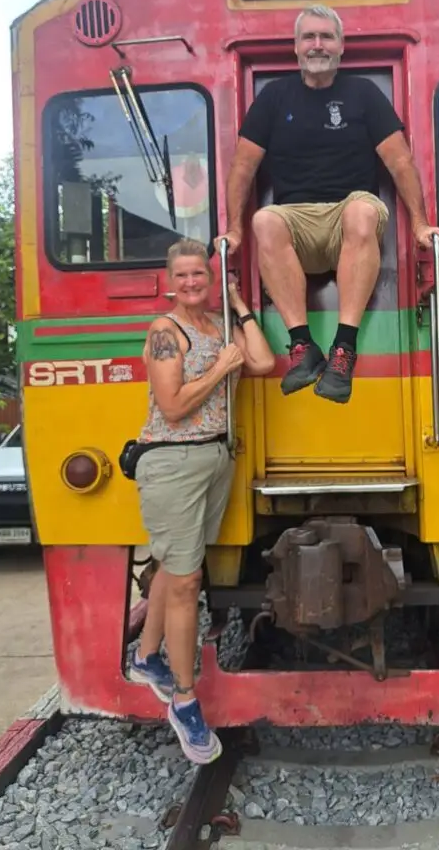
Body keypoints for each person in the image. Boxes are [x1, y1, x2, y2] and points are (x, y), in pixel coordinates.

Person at [214, 4, 439, 404]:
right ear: (296, 47)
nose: (317, 45)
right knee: (264, 220)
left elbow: (399, 161)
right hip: (297, 220)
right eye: (309, 37)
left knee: (362, 211)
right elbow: (243, 167)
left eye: (326, 37)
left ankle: (343, 350)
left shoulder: (363, 94)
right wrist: (234, 228)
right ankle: (303, 347)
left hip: (347, 213)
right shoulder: (274, 98)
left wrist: (420, 224)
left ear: (341, 46)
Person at [127, 238, 275, 765]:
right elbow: (170, 406)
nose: (192, 283)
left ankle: (146, 658)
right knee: (188, 581)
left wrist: (239, 306)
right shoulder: (166, 332)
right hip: (171, 460)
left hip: (213, 460)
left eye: (201, 276)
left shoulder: (217, 324)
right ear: (171, 281)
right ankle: (185, 702)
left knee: (175, 563)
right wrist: (218, 370)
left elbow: (261, 360)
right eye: (184, 276)